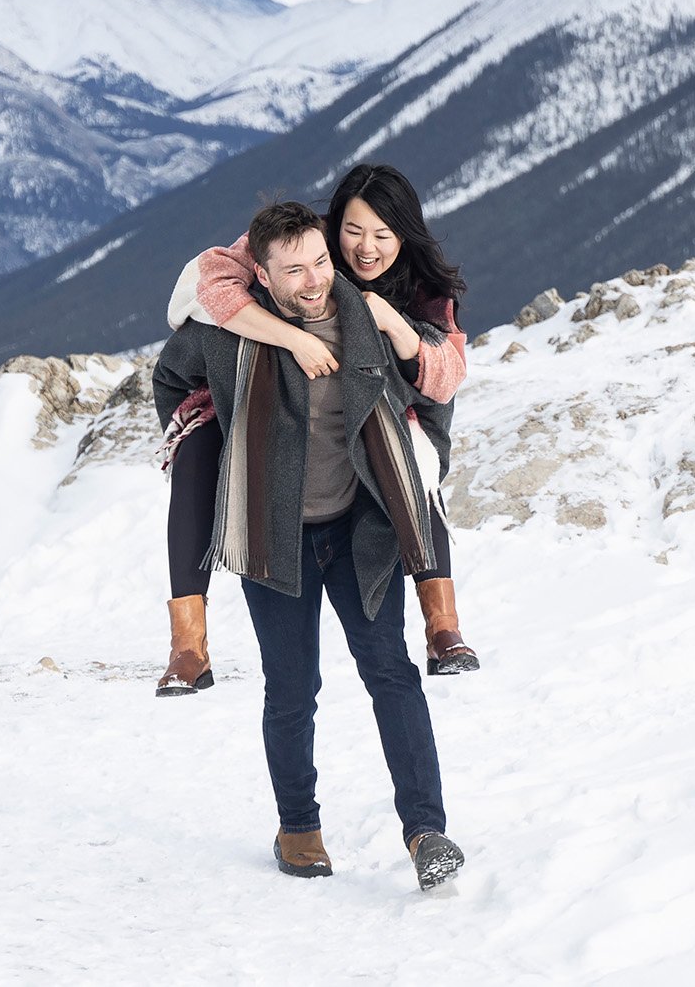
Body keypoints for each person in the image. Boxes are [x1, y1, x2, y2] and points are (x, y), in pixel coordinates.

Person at [153, 201, 466, 890]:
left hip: (361, 530)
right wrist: (199, 433)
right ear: (261, 275)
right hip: (275, 535)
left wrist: (419, 443)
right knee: (292, 690)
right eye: (294, 270)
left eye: (320, 261)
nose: (315, 279)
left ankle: (426, 830)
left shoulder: (368, 319)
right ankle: (298, 829)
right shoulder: (228, 334)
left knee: (391, 672)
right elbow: (171, 375)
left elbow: (435, 378)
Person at [155, 164, 475, 697]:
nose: (365, 249)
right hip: (261, 395)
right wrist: (291, 339)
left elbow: (444, 381)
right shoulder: (306, 247)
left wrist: (389, 321)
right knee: (198, 448)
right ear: (333, 225)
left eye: (383, 234)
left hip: (381, 404)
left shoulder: (422, 288)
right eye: (352, 231)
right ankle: (188, 646)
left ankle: (442, 626)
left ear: (405, 234)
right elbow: (210, 278)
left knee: (410, 458)